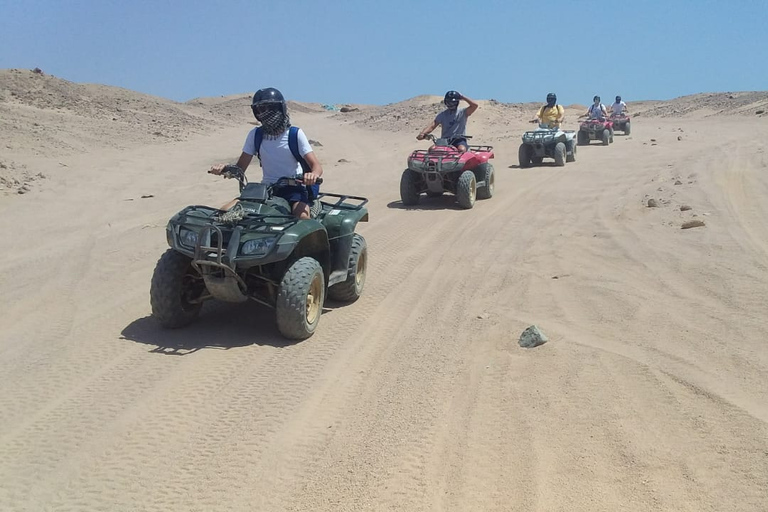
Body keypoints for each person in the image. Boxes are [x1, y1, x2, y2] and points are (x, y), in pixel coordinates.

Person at [209, 87, 323, 220]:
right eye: (261, 110)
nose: (265, 113)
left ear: (281, 109)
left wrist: (312, 175)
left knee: (302, 217)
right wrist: (224, 169)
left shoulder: (295, 134)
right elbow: (240, 169)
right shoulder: (255, 135)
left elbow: (317, 166)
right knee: (223, 212)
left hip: (293, 189)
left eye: (270, 108)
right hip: (264, 189)